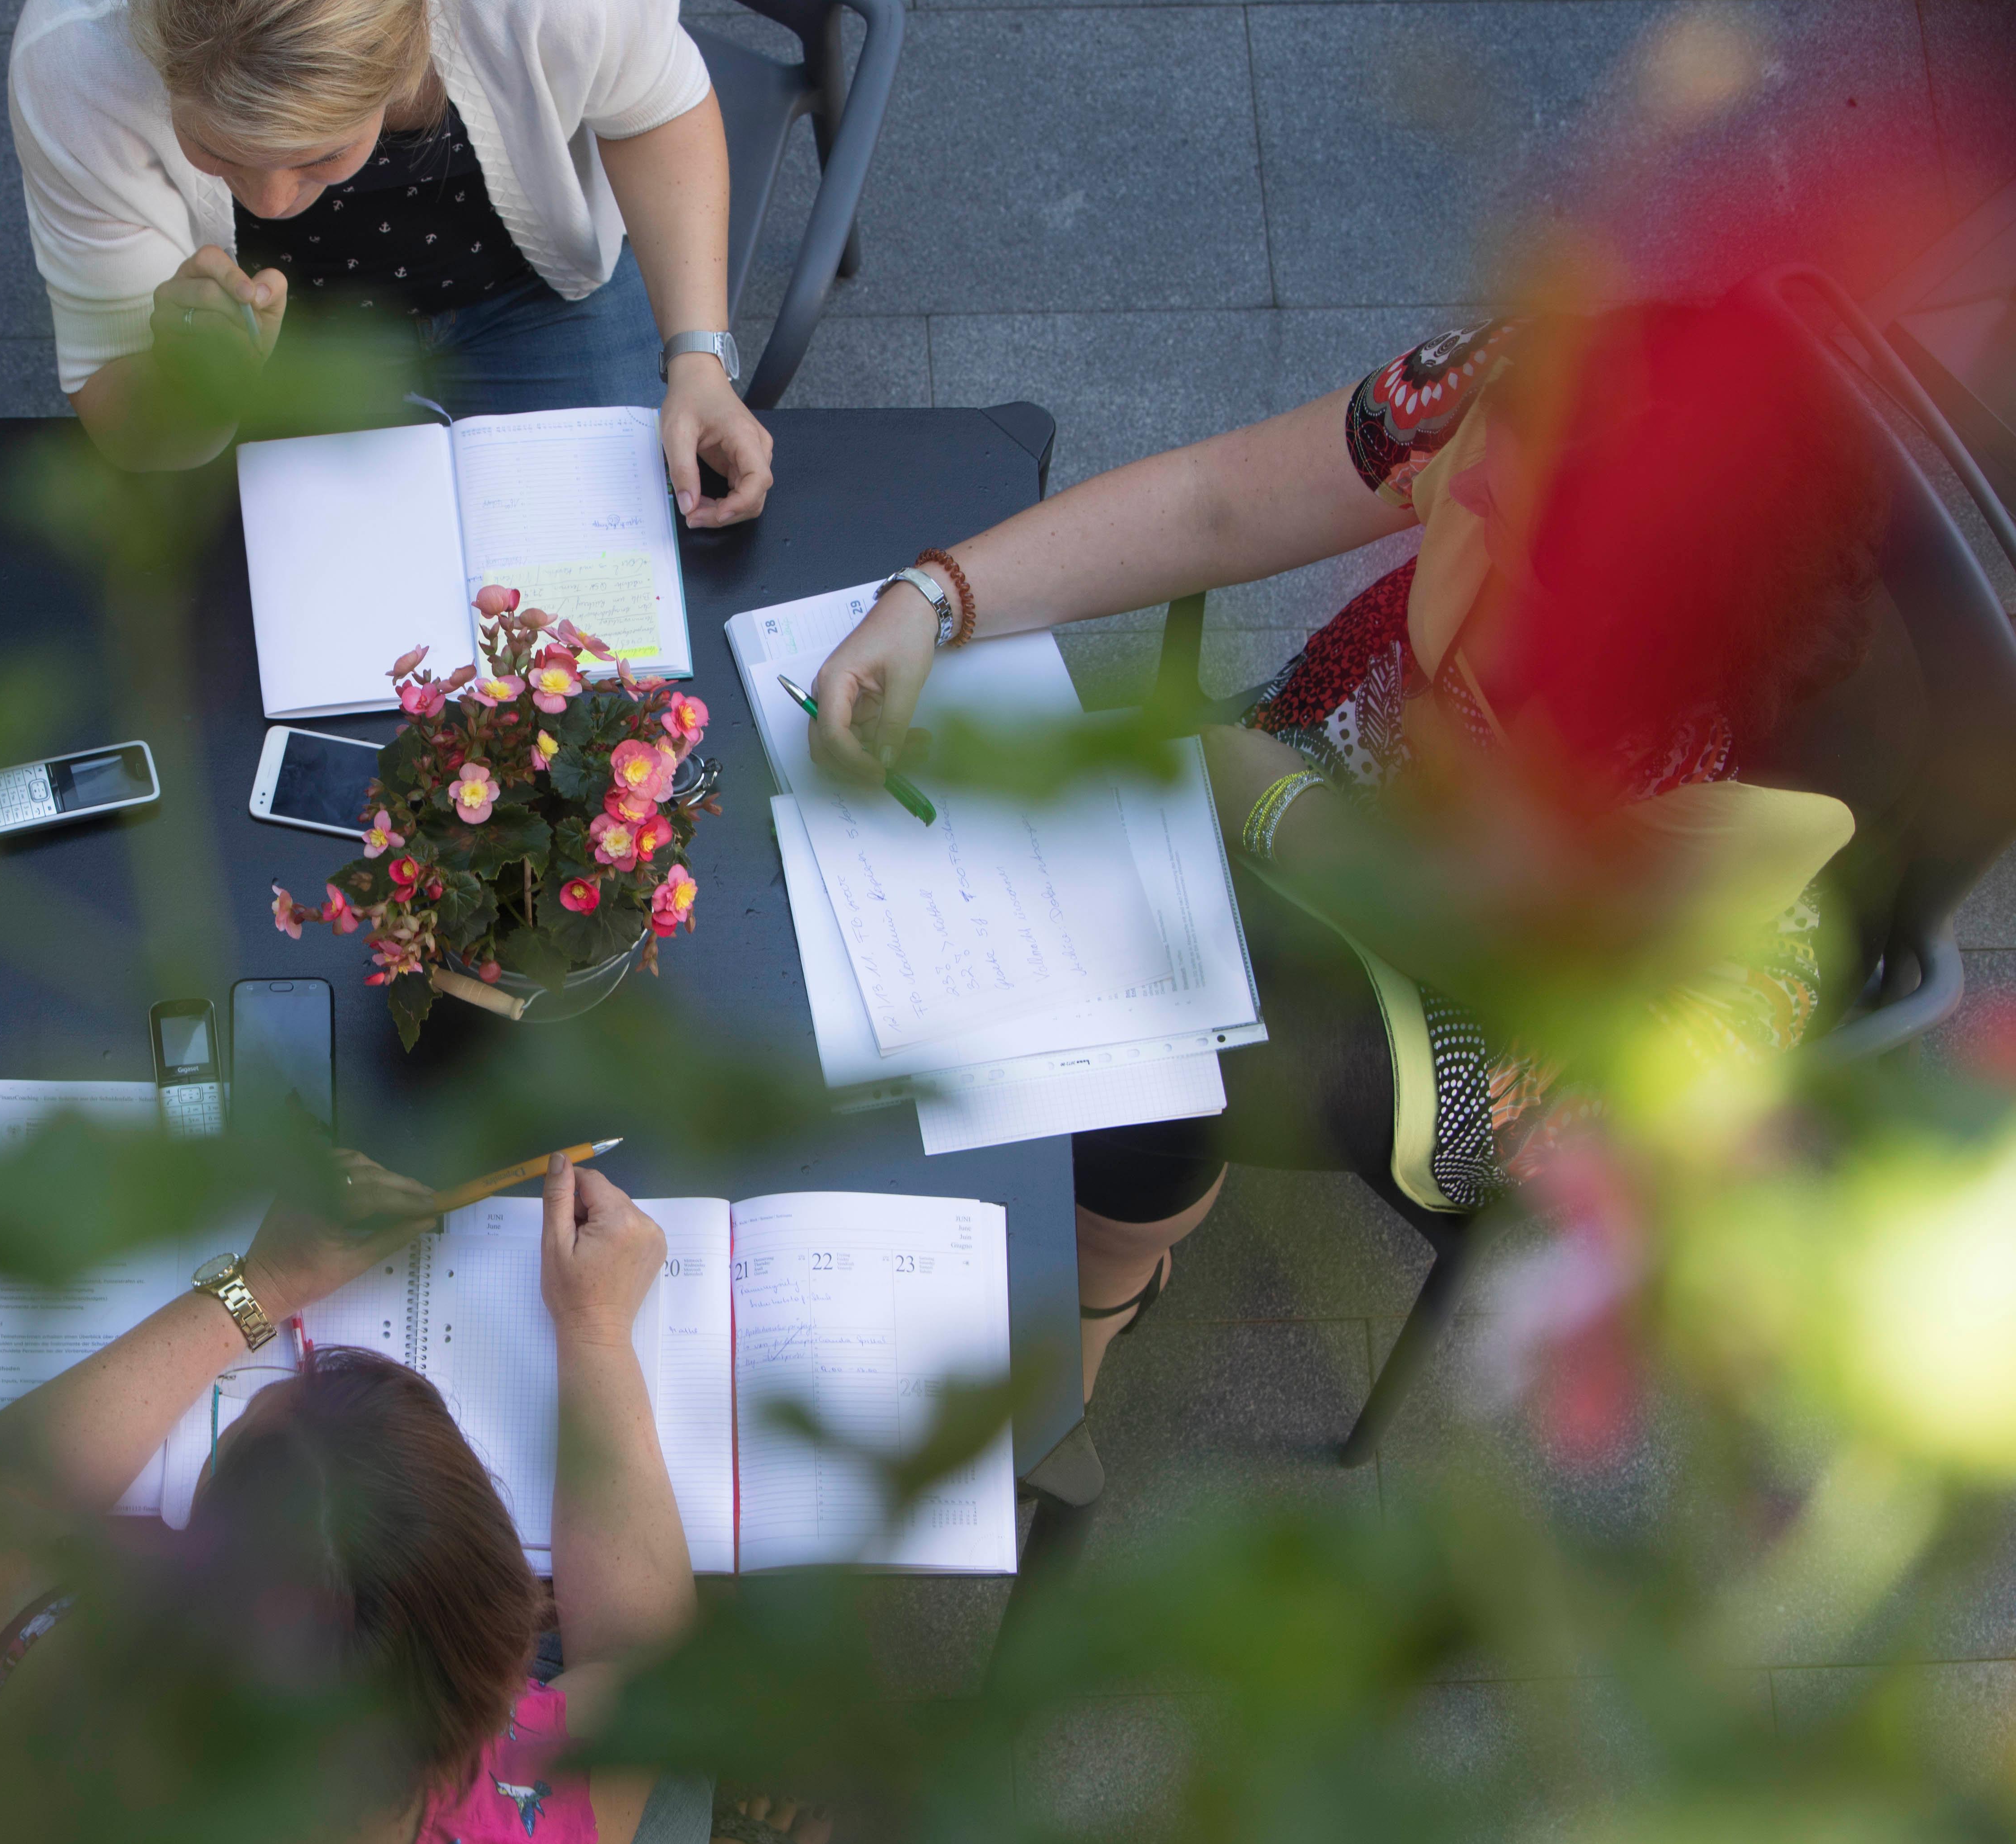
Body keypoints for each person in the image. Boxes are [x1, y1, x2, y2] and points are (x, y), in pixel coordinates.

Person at [804, 295, 1897, 1395]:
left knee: (1148, 1052)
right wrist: (933, 599)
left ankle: (1100, 1291)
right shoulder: (1529, 378)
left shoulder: (1767, 764)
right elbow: (1217, 503)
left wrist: (1279, 809)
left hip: (1544, 996)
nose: (1456, 486)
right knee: (1087, 940)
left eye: (1511, 520)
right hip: (1363, 750)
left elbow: (1508, 950)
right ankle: (1118, 1242)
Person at [0, 1149, 834, 1844]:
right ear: (508, 1614)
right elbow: (647, 1665)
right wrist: (596, 1331)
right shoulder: (514, 1811)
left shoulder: (63, 1694)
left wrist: (262, 1286)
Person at [8, 0, 775, 526]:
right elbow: (127, 415)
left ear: (408, 59)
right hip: (291, 344)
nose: (273, 203)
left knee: (613, 580)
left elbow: (659, 110)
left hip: (536, 291)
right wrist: (199, 386)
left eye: (320, 156)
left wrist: (701, 364)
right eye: (216, 151)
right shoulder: (78, 56)